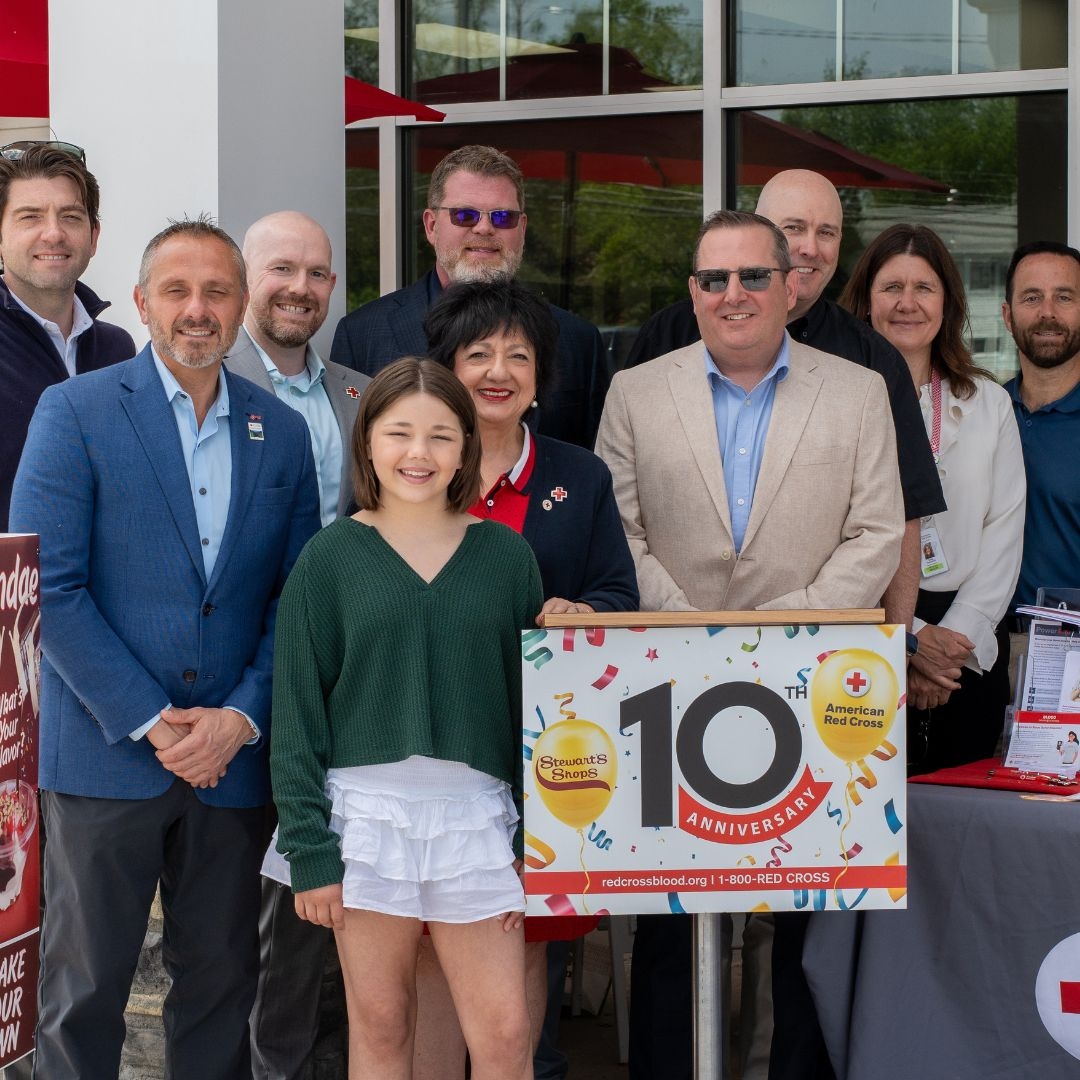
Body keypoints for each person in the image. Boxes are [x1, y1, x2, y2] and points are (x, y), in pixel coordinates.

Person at [8, 216, 321, 1079]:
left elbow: (294, 600)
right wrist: (153, 721)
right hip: (107, 758)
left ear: (242, 303)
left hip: (230, 767)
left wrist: (238, 719)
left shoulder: (281, 433)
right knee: (83, 993)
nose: (198, 309)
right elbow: (53, 590)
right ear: (142, 303)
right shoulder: (73, 411)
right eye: (177, 291)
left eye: (218, 291)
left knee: (222, 987)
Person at [595, 209, 905, 1080]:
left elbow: (877, 531)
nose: (734, 295)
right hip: (664, 686)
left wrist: (784, 633)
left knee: (802, 928)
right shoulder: (636, 389)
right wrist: (698, 632)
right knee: (666, 921)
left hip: (809, 685)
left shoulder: (858, 390)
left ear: (790, 285)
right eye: (714, 280)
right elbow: (615, 527)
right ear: (693, 294)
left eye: (753, 277)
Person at [262, 358, 543, 1080]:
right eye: (400, 433)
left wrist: (537, 845)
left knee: (507, 1037)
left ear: (465, 449)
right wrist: (309, 852)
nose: (419, 454)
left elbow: (533, 717)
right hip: (367, 825)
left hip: (477, 824)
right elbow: (295, 716)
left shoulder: (508, 558)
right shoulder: (327, 560)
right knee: (383, 1026)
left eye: (441, 436)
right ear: (368, 444)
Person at [419, 279, 639, 1078]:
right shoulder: (413, 463)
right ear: (445, 368)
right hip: (433, 748)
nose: (499, 370)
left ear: (542, 375)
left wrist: (583, 608)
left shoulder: (580, 477)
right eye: (479, 354)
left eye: (518, 354)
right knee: (428, 949)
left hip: (545, 756)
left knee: (522, 946)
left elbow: (621, 591)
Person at [625, 170, 944, 633]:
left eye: (827, 232)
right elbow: (620, 515)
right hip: (671, 640)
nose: (811, 247)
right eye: (793, 228)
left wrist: (898, 650)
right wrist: (687, 625)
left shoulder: (872, 364)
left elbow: (899, 521)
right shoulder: (665, 338)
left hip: (812, 652)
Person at [224, 210, 370, 1079]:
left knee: (324, 900)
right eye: (283, 269)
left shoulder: (362, 389)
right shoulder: (209, 380)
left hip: (347, 683)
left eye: (318, 274)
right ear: (249, 279)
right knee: (250, 913)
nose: (301, 288)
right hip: (245, 682)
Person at [839, 223, 1025, 772]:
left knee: (962, 831)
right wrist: (911, 640)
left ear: (948, 302)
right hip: (864, 635)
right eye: (891, 287)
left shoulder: (989, 402)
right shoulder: (834, 400)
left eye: (924, 288)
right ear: (866, 301)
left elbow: (1005, 531)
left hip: (964, 649)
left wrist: (952, 644)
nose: (907, 303)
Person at [329, 144, 610, 449]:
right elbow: (352, 459)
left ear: (523, 228)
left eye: (503, 217)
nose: (485, 228)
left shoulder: (577, 341)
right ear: (431, 226)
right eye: (465, 215)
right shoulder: (361, 334)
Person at [0, 141, 135, 530]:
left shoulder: (118, 349)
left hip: (94, 588)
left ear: (94, 236)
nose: (53, 233)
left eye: (71, 217)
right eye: (30, 217)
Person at [1001, 242, 1080, 624]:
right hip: (980, 650)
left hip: (1073, 655)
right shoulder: (983, 413)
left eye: (1063, 297)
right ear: (1007, 315)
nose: (1047, 312)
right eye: (1031, 297)